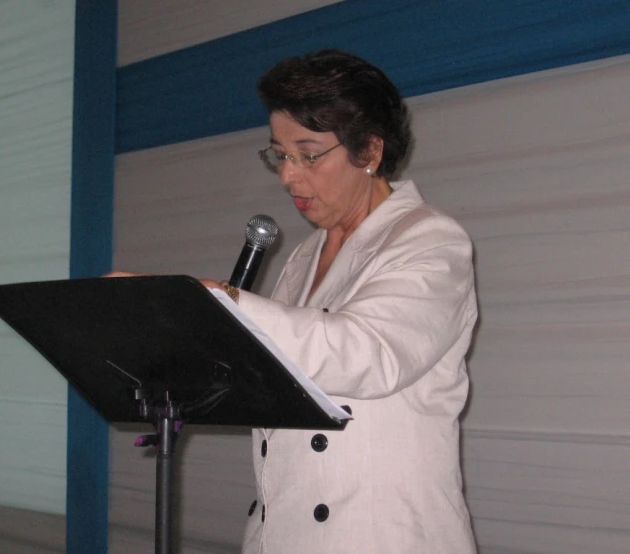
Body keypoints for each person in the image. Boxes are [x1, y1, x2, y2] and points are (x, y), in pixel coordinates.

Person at [112, 49, 478, 553]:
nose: (288, 176)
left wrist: (213, 300)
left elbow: (367, 354)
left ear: (369, 151)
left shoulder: (430, 240)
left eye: (308, 154)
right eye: (279, 154)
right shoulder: (304, 256)